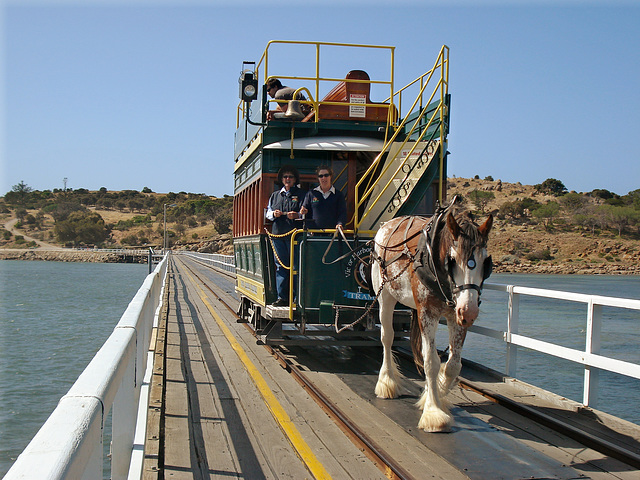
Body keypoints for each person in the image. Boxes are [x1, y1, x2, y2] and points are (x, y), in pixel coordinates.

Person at [266, 165, 305, 306]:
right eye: (285, 177)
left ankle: (296, 297)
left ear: (295, 179)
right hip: (277, 236)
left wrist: (298, 215)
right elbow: (268, 214)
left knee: (295, 266)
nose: (288, 179)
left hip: (294, 236)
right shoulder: (275, 195)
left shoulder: (302, 194)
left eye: (290, 177)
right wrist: (274, 214)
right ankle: (282, 298)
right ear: (281, 179)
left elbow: (306, 213)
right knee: (281, 266)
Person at [300, 165, 347, 231]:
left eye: (326, 175)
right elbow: (304, 211)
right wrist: (303, 211)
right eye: (321, 176)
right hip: (314, 235)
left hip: (333, 234)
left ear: (331, 176)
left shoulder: (338, 195)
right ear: (318, 178)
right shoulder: (311, 194)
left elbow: (342, 213)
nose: (323, 178)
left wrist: (340, 224)